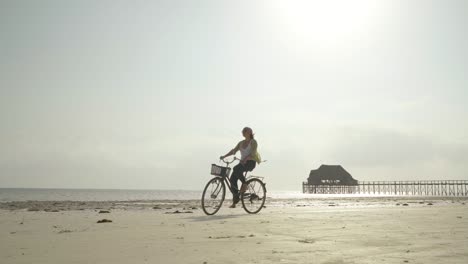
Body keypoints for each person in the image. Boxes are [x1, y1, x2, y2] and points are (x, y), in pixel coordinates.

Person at [220, 127, 261, 208]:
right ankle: (235, 200)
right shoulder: (241, 143)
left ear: (250, 132)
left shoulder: (253, 142)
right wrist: (224, 156)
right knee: (232, 180)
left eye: (245, 131)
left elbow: (253, 153)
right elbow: (233, 151)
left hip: (250, 162)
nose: (244, 132)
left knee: (235, 169)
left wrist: (246, 159)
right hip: (242, 163)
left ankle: (245, 183)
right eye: (243, 131)